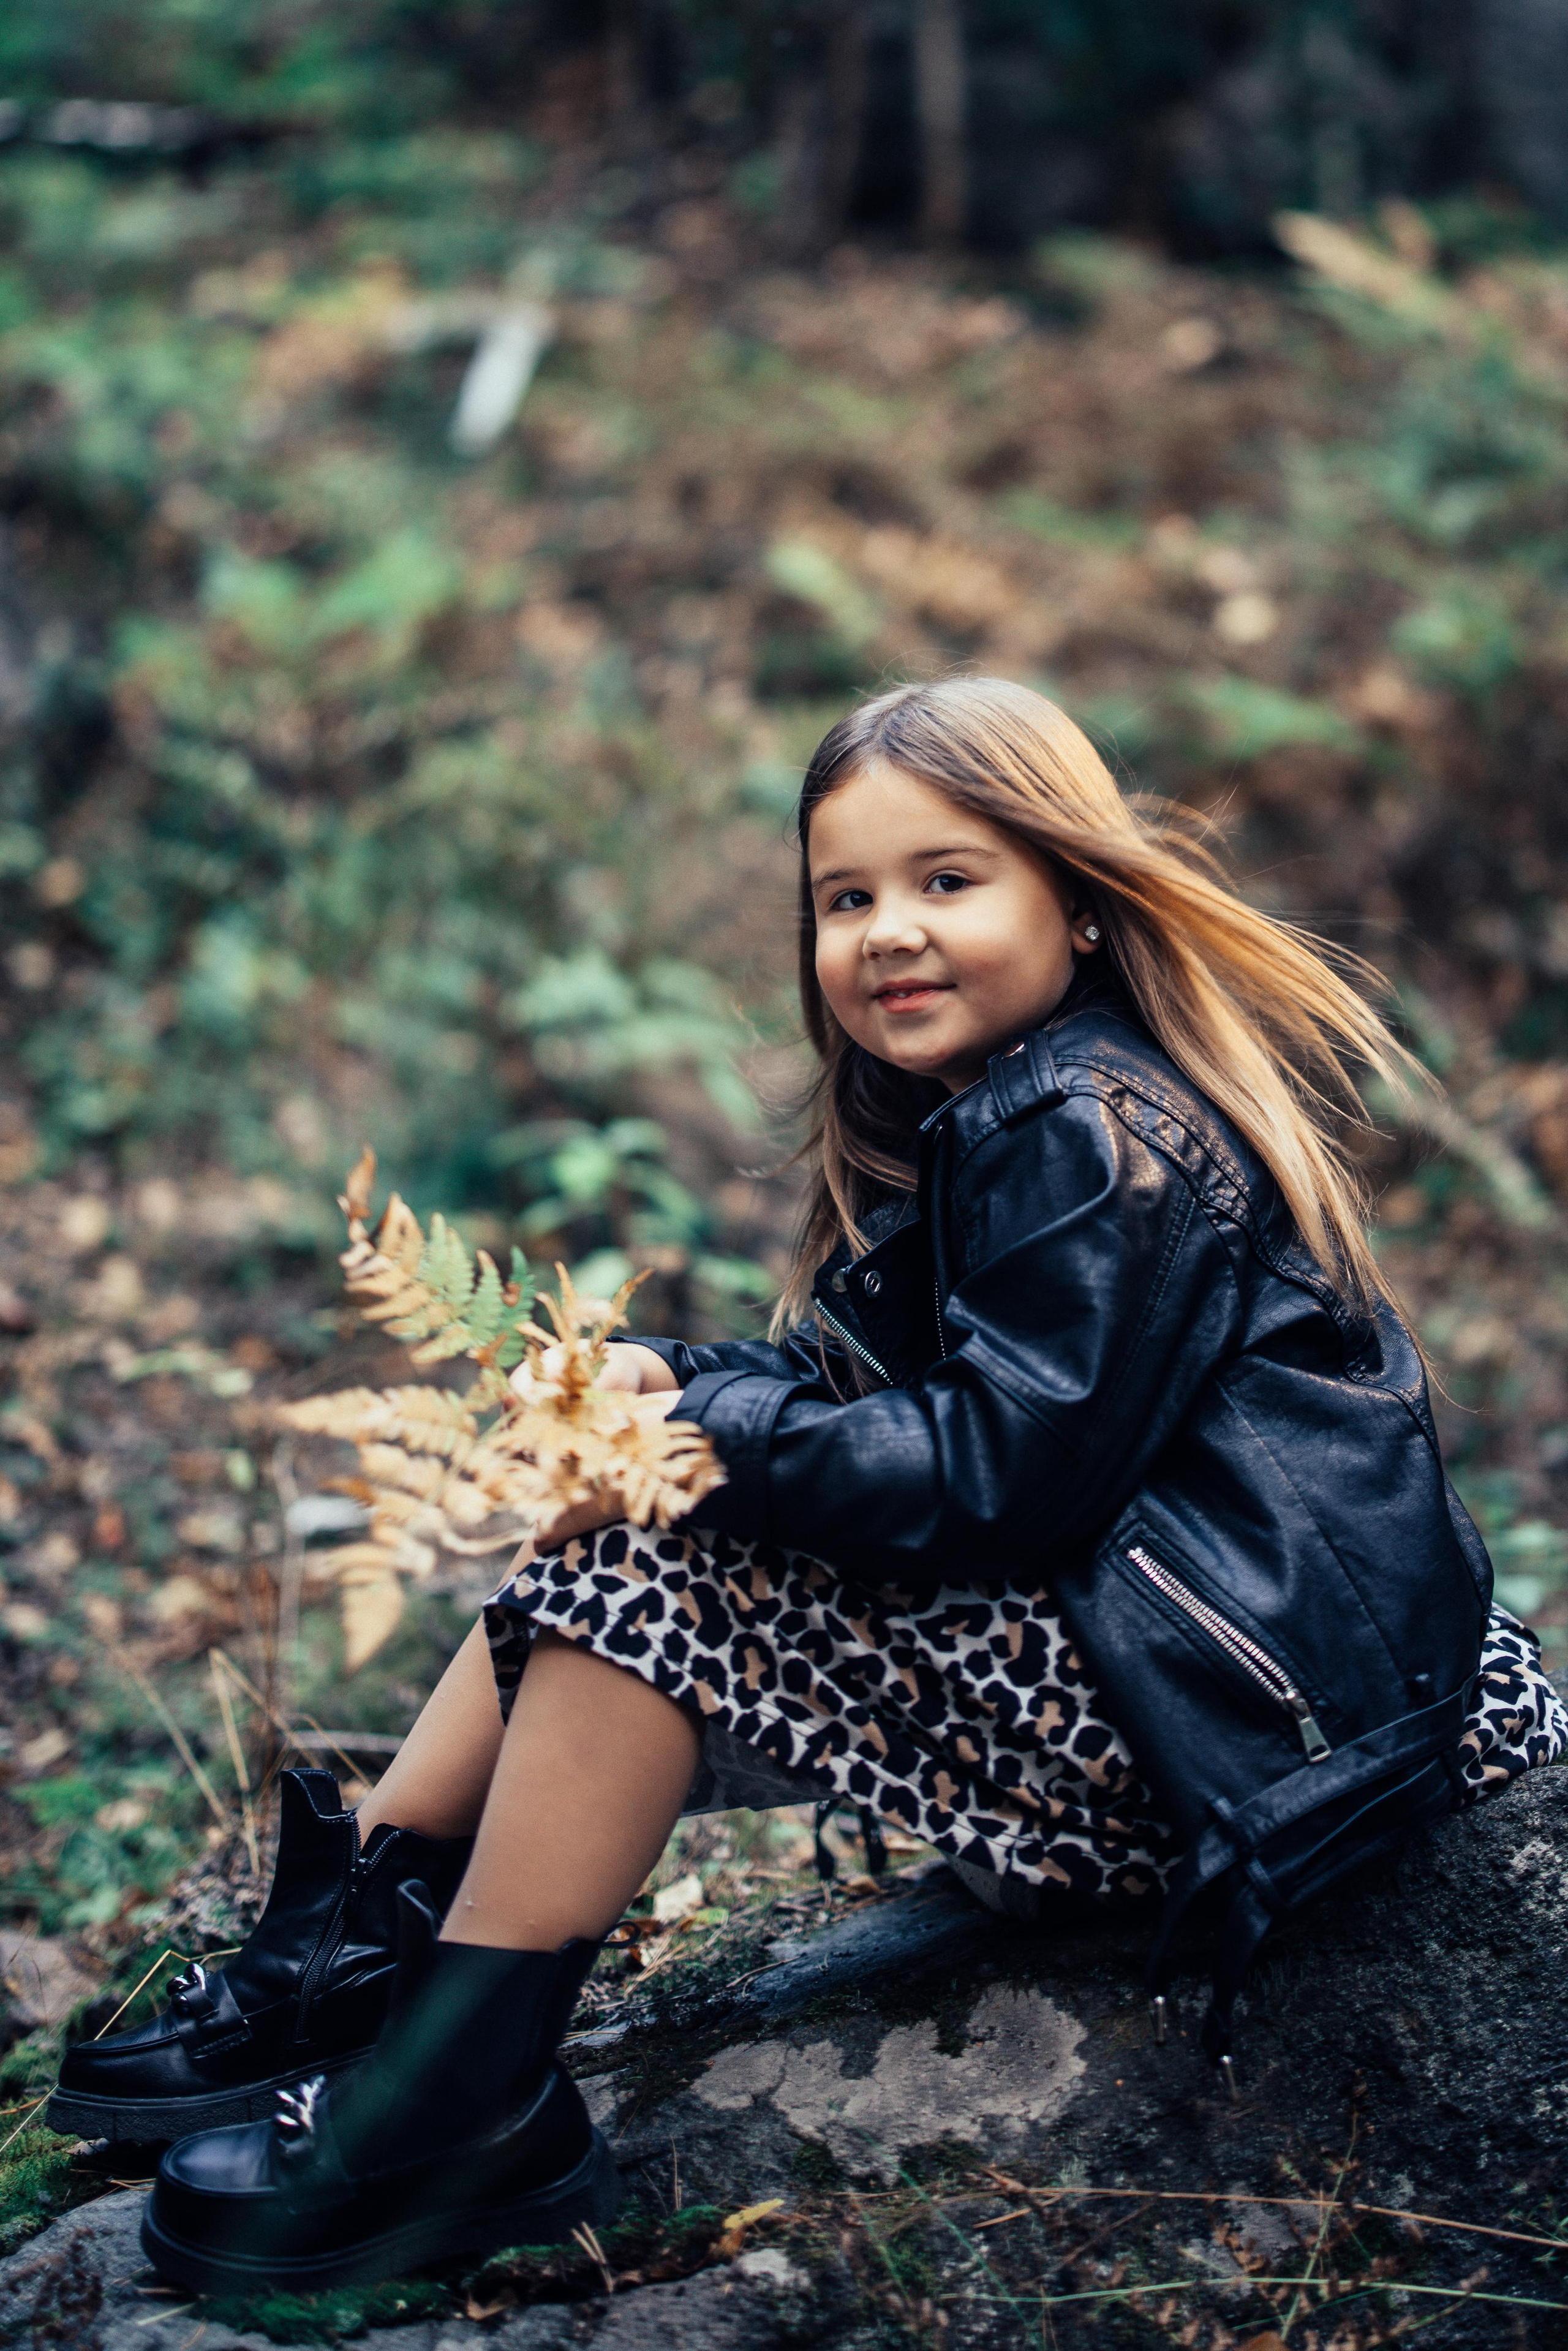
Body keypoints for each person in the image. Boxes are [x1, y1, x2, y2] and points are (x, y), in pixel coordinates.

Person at [75, 677, 1561, 2294]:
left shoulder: (1094, 1128)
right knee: (646, 1498)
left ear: (1075, 904)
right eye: (844, 898)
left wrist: (690, 1456)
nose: (886, 934)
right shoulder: (1015, 1106)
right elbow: (868, 1394)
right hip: (1219, 1674)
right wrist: (673, 1386)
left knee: (651, 1558)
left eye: (947, 880)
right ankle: (355, 1955)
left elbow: (997, 1476)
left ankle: (456, 2099)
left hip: (1269, 1737)